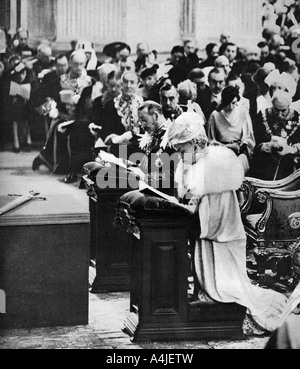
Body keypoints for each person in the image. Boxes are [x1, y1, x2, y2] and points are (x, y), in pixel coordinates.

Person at [167, 112, 288, 336]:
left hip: (223, 238)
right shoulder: (192, 166)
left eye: (182, 150)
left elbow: (213, 216)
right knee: (210, 285)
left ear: (196, 143)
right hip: (209, 237)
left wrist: (189, 211)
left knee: (227, 289)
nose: (180, 156)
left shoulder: (215, 168)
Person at [31, 50, 92, 174]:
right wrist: (50, 108)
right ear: (70, 63)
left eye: (81, 64)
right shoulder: (61, 80)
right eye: (75, 64)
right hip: (64, 119)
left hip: (84, 120)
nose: (78, 67)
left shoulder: (91, 81)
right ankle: (58, 164)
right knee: (61, 132)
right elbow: (37, 93)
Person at [250, 90, 300, 180]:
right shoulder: (262, 116)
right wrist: (266, 146)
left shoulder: (297, 118)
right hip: (265, 164)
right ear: (272, 105)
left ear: (289, 106)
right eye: (276, 109)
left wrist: (291, 149)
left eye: (283, 110)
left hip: (289, 166)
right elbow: (255, 141)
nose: (279, 114)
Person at [207, 85, 255, 174]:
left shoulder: (242, 112)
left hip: (239, 151)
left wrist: (240, 147)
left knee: (238, 166)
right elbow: (211, 140)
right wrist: (225, 147)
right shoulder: (215, 115)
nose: (230, 107)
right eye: (227, 103)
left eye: (233, 103)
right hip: (221, 151)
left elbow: (249, 137)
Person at [96, 71, 144, 158]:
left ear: (138, 84)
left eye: (132, 82)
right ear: (122, 84)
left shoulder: (145, 103)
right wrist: (117, 139)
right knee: (122, 152)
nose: (128, 86)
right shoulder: (112, 104)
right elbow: (106, 130)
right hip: (120, 145)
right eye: (125, 82)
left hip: (141, 144)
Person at [137, 101, 177, 195]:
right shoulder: (152, 135)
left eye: (144, 120)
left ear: (155, 116)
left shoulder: (172, 136)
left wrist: (146, 177)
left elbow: (174, 175)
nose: (142, 126)